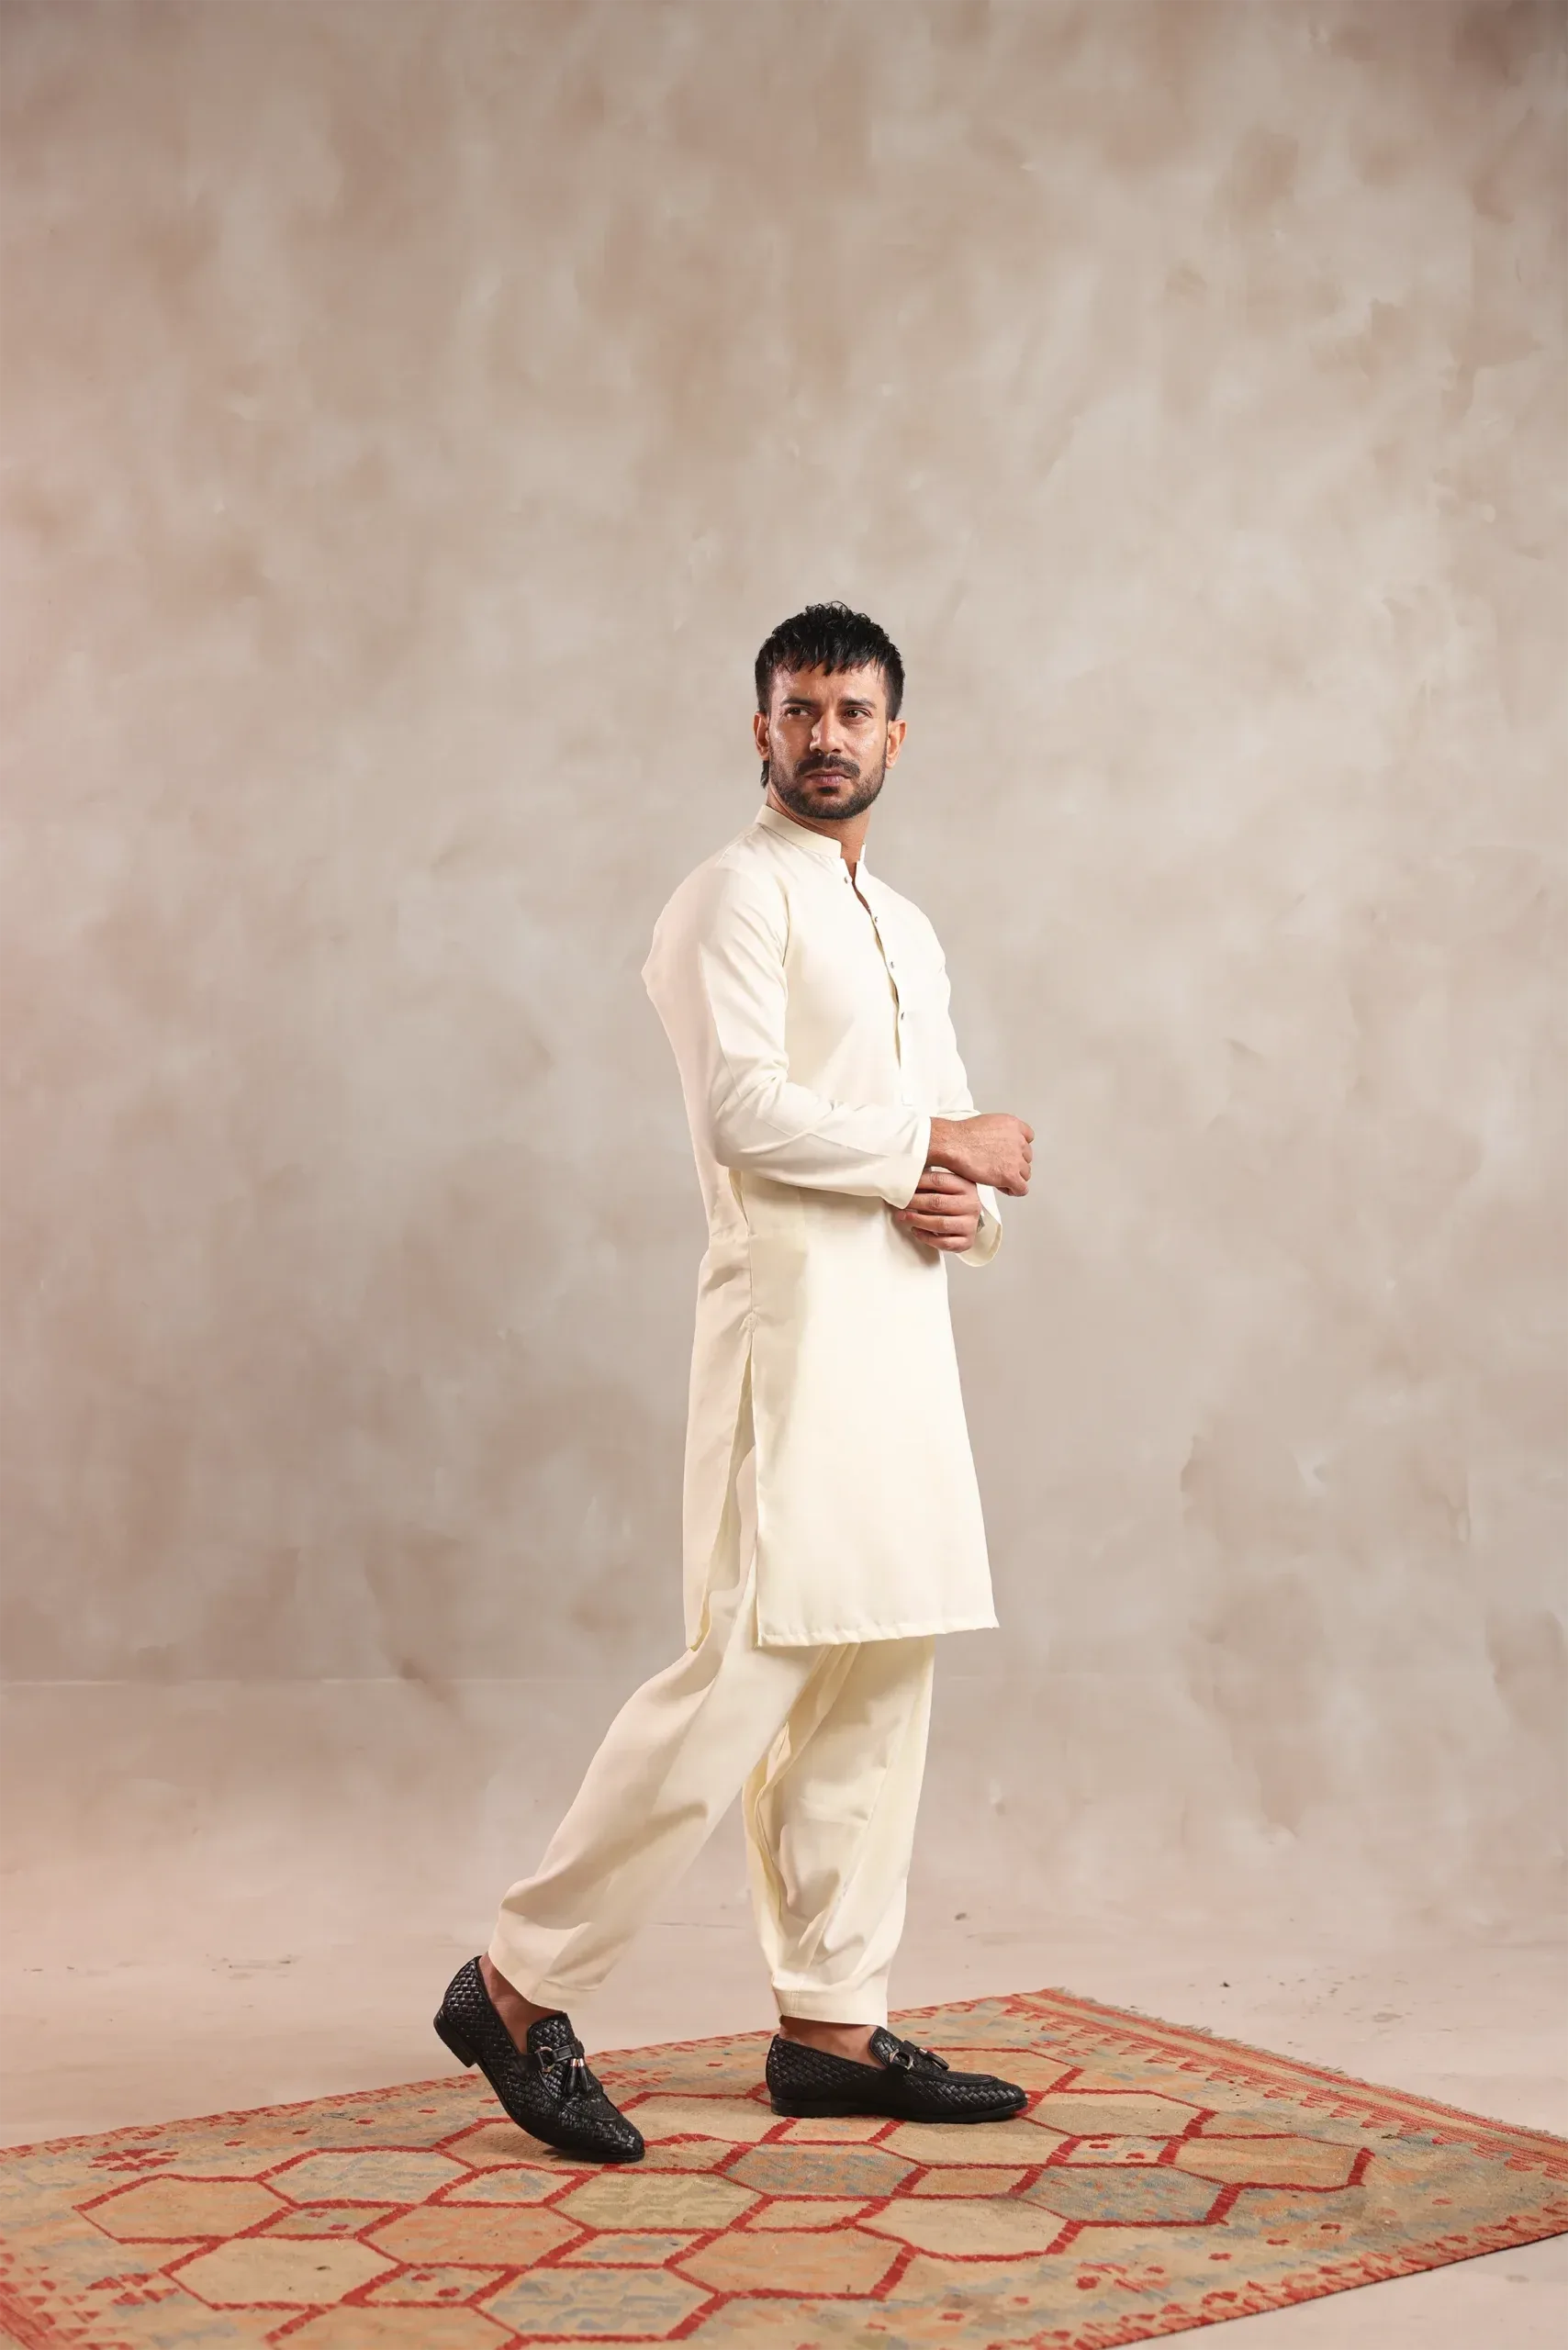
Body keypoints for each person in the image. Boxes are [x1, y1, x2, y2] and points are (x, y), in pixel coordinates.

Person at [435, 603, 1034, 2162]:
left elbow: (946, 1129)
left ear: (895, 737)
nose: (828, 736)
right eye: (801, 710)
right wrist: (939, 1148)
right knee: (747, 1670)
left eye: (854, 712)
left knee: (880, 1671)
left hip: (902, 1339)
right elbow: (745, 1113)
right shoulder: (727, 898)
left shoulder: (904, 926)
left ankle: (830, 2024)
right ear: (759, 730)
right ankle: (514, 1985)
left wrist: (963, 1211)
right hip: (789, 1337)